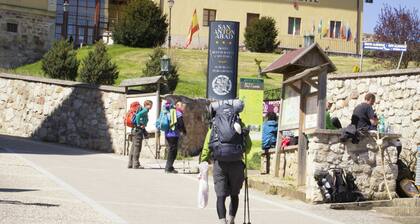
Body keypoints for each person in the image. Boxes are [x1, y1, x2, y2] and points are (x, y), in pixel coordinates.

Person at [200, 100, 252, 224]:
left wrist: (203, 160)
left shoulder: (215, 125)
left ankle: (223, 221)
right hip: (237, 164)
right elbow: (248, 146)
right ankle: (232, 220)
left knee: (220, 195)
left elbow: (207, 145)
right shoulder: (240, 123)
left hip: (219, 163)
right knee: (234, 194)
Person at [128, 100, 153, 169]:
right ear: (147, 105)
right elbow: (138, 115)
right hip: (138, 130)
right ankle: (136, 164)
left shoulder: (144, 110)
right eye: (151, 105)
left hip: (134, 130)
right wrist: (139, 124)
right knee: (137, 147)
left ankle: (130, 163)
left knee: (133, 146)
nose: (151, 107)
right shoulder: (145, 110)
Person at [164, 101, 187, 174]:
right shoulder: (178, 113)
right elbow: (181, 124)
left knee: (171, 150)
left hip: (167, 134)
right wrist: (184, 132)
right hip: (174, 134)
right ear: (177, 106)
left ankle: (169, 167)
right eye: (182, 106)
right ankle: (168, 167)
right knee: (173, 151)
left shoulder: (170, 112)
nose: (183, 107)